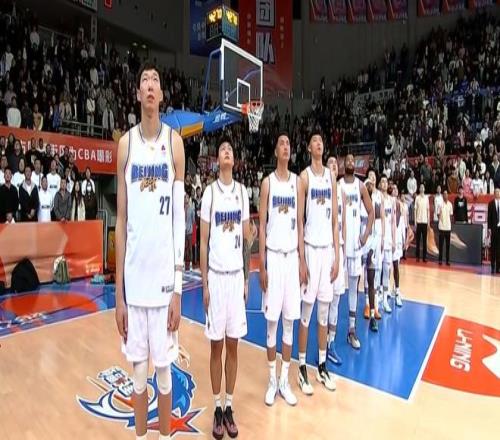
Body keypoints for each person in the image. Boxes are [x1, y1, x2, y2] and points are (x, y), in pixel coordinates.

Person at [115, 62, 185, 440]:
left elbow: (179, 219)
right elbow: (121, 221)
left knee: (164, 372)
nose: (151, 85)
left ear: (161, 94)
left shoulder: (174, 144)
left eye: (156, 79)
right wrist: (119, 296)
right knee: (138, 375)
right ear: (138, 94)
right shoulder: (126, 145)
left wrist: (178, 288)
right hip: (135, 283)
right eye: (145, 80)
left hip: (162, 284)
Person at [200, 138, 251, 439]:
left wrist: (246, 278)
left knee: (233, 346)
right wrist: (204, 283)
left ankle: (229, 406)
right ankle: (217, 407)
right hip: (217, 278)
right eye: (222, 150)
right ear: (217, 161)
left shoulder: (242, 193)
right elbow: (203, 242)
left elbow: (246, 240)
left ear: (235, 158)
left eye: (230, 149)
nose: (227, 151)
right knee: (215, 347)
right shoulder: (209, 193)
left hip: (235, 278)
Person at [259, 132, 306, 406]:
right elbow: (262, 226)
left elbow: (300, 223)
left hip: (291, 259)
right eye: (282, 143)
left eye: (289, 143)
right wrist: (262, 264)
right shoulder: (267, 183)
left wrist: (302, 260)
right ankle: (271, 380)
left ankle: (285, 380)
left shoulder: (298, 183)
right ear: (276, 151)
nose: (286, 147)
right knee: (272, 324)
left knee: (290, 322)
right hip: (274, 258)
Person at [297, 133, 339, 395]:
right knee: (306, 313)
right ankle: (301, 367)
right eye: (314, 140)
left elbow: (334, 220)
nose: (319, 143)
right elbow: (300, 221)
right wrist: (302, 259)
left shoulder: (331, 177)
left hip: (327, 251)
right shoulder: (304, 177)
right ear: (309, 147)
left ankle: (321, 365)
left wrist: (336, 254)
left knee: (323, 313)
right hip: (311, 249)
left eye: (321, 140)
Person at [339, 154, 373, 349]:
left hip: (355, 245)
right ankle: (330, 335)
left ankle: (351, 330)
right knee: (334, 291)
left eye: (353, 160)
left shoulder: (360, 186)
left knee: (353, 288)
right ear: (344, 164)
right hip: (340, 244)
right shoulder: (338, 186)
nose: (351, 162)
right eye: (348, 160)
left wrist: (365, 234)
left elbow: (371, 212)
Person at [326, 156, 346, 365]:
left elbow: (344, 223)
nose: (333, 165)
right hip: (324, 249)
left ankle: (330, 343)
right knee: (324, 299)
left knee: (336, 299)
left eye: (335, 163)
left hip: (338, 248)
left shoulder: (342, 192)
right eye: (329, 163)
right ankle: (322, 346)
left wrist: (344, 248)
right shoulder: (320, 187)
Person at [380, 176, 396, 312]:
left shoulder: (392, 201)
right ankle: (375, 299)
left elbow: (393, 222)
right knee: (377, 271)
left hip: (389, 240)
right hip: (379, 239)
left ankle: (385, 299)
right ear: (380, 185)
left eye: (386, 181)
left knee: (387, 270)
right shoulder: (376, 198)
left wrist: (394, 240)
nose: (384, 184)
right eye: (382, 182)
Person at [390, 186, 405, 307]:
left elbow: (403, 223)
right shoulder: (388, 202)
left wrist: (404, 239)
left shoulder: (401, 205)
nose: (395, 190)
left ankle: (397, 290)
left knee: (396, 266)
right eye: (393, 188)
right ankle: (383, 290)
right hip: (389, 239)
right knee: (386, 267)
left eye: (396, 188)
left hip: (398, 239)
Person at [437, 190, 453, 266]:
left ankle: (447, 260)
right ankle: (440, 260)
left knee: (448, 246)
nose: (445, 195)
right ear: (442, 196)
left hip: (448, 228)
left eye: (446, 194)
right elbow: (438, 214)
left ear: (447, 196)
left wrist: (448, 222)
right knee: (441, 245)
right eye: (444, 194)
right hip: (441, 227)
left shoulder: (450, 204)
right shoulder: (440, 204)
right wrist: (441, 220)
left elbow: (451, 215)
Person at [415, 184, 430, 262]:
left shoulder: (426, 198)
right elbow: (415, 210)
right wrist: (415, 221)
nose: (422, 188)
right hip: (418, 221)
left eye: (423, 187)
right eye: (420, 187)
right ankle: (417, 256)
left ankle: (424, 257)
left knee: (424, 241)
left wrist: (428, 222)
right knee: (418, 240)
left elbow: (428, 210)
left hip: (425, 222)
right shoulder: (417, 198)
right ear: (419, 189)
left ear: (424, 189)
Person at [487, 188, 500, 274]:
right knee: (493, 249)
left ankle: (498, 268)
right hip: (494, 229)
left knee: (499, 249)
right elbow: (489, 217)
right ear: (494, 194)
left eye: (499, 192)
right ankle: (492, 267)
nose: (498, 193)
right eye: (496, 192)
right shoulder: (491, 204)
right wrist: (489, 228)